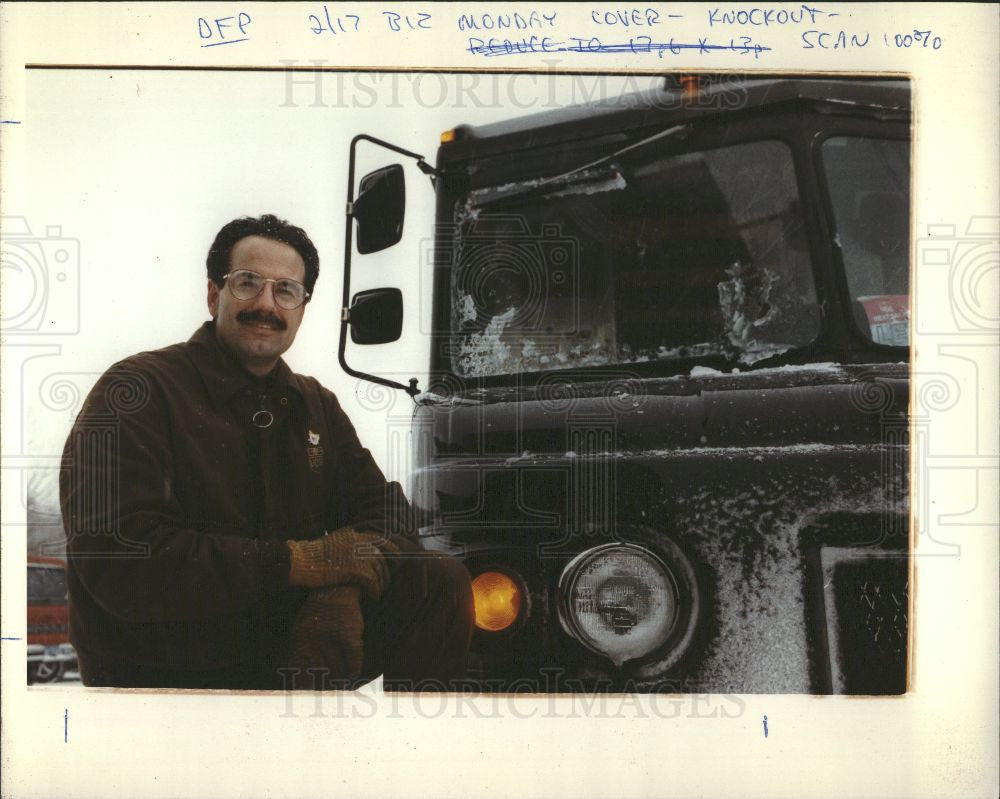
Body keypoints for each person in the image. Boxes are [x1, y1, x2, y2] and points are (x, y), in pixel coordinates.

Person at [59, 214, 474, 690]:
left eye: (286, 290)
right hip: (163, 669)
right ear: (214, 294)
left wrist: (340, 588)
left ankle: (411, 754)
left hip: (292, 646)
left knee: (438, 579)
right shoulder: (137, 390)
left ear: (302, 308)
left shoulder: (315, 405)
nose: (265, 305)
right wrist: (298, 563)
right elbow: (118, 558)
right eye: (248, 283)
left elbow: (389, 518)